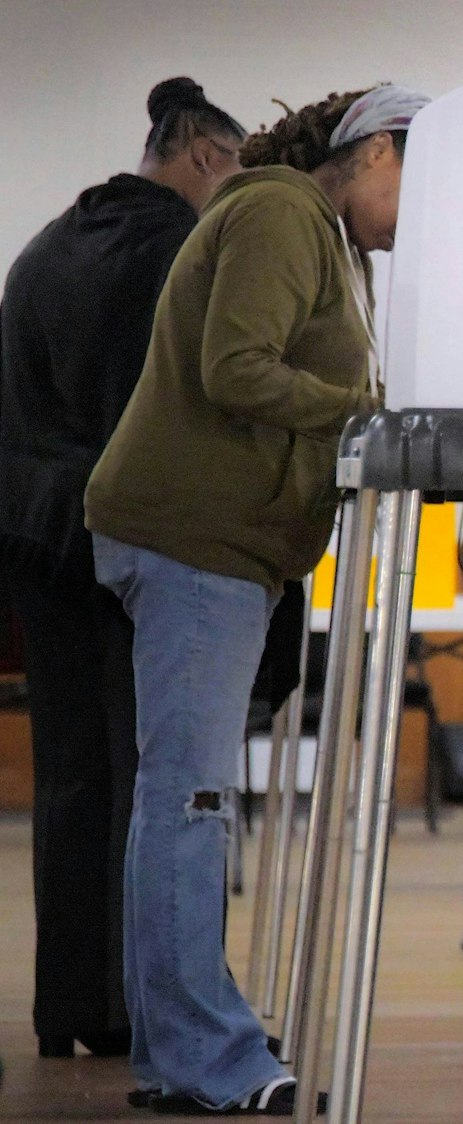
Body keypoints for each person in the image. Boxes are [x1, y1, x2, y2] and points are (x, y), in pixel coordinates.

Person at [83, 83, 429, 1115]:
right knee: (190, 803)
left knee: (176, 799)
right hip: (198, 537)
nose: (423, 209)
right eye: (420, 177)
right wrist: (370, 409)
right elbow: (237, 368)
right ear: (371, 153)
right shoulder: (281, 211)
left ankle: (176, 1045)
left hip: (211, 540)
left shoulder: (308, 228)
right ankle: (209, 1057)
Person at [0, 77, 244, 1064]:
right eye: (233, 173)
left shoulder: (52, 243)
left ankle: (72, 1000)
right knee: (152, 780)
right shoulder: (164, 255)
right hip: (123, 547)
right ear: (198, 156)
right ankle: (140, 1004)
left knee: (71, 775)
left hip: (34, 545)